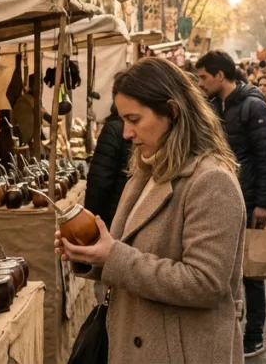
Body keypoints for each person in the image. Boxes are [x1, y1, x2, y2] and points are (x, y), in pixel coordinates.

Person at [57, 57, 247, 364]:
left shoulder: (211, 181)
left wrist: (112, 256)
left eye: (134, 119)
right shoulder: (147, 171)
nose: (126, 133)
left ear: (171, 112)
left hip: (183, 353)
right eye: (123, 120)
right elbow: (127, 251)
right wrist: (90, 253)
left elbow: (206, 283)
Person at [195, 50, 266, 358]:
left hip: (250, 199)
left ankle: (254, 335)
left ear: (221, 76)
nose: (200, 83)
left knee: (252, 271)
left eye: (204, 77)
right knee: (224, 266)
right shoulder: (214, 105)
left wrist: (264, 203)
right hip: (222, 198)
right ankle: (230, 329)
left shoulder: (252, 105)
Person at [84, 104, 132, 229]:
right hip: (124, 214)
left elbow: (99, 183)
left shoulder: (114, 129)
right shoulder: (117, 130)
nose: (128, 133)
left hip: (113, 215)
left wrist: (91, 221)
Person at [12, 74, 53, 147]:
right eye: (38, 84)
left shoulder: (34, 99)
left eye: (41, 84)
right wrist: (55, 120)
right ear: (31, 86)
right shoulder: (26, 100)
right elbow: (45, 116)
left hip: (32, 140)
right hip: (26, 141)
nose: (40, 87)